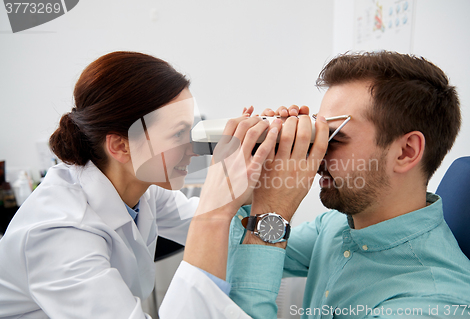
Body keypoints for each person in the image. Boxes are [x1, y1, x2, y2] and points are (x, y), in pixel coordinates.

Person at [0, 51, 285, 319]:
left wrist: (255, 183)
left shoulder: (143, 188)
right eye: (178, 134)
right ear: (121, 146)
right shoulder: (59, 234)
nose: (196, 149)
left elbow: (228, 236)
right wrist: (217, 204)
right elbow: (209, 224)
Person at [226, 51, 470, 318]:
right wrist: (253, 185)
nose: (316, 153)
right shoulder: (340, 225)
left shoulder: (434, 305)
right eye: (315, 135)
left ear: (405, 152)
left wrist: (273, 215)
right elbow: (242, 252)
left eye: (332, 138)